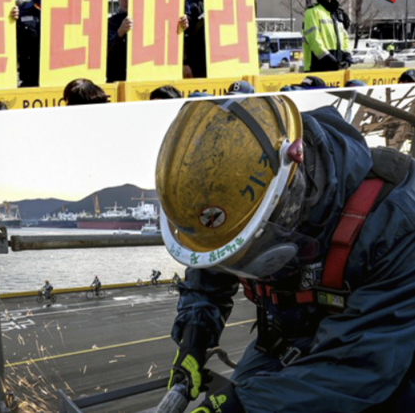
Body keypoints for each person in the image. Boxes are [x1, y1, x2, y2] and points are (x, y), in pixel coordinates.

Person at [157, 95, 415, 412]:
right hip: (282, 341)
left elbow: (362, 364)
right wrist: (195, 335)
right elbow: (217, 254)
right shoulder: (243, 188)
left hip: (373, 354)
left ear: (290, 199)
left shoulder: (396, 218)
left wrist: (240, 407)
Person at [106, 0, 188, 83]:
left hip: (144, 80)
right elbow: (107, 53)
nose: (128, 0)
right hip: (118, 80)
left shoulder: (150, 20)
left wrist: (179, 26)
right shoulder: (110, 23)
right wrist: (120, 32)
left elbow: (166, 43)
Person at [184, 0, 247, 79]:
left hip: (225, 67)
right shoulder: (191, 4)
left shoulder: (228, 2)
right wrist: (185, 63)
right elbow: (182, 35)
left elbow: (248, 3)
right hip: (198, 68)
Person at [302, 0, 352, 73]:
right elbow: (314, 40)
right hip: (317, 68)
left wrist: (347, 55)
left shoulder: (338, 13)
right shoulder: (312, 12)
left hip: (336, 68)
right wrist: (329, 59)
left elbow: (345, 37)